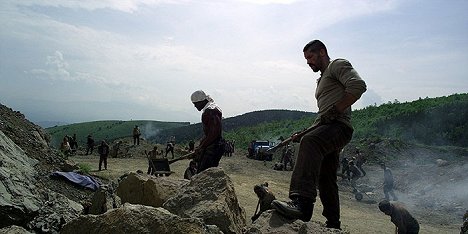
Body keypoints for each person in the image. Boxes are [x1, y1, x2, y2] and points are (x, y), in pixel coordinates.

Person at [271, 40, 367, 229]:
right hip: (329, 128)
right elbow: (323, 116)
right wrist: (307, 130)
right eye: (306, 58)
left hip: (339, 127)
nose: (308, 62)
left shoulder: (337, 65)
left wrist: (336, 109)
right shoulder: (322, 78)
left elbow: (358, 86)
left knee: (311, 142)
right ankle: (333, 223)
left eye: (310, 57)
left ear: (322, 52)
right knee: (326, 176)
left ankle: (302, 204)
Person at [190, 90, 225, 173]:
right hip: (214, 144)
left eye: (195, 104)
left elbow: (214, 133)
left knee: (204, 173)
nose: (195, 106)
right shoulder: (210, 109)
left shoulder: (211, 111)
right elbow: (209, 134)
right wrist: (201, 145)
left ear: (201, 101)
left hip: (214, 146)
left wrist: (202, 146)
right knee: (204, 171)